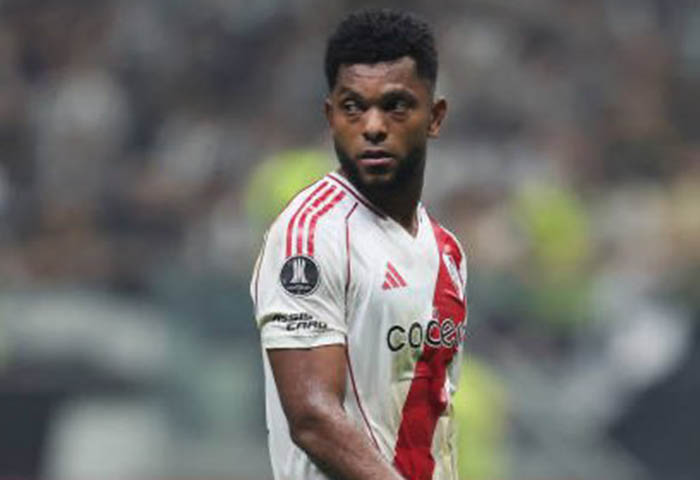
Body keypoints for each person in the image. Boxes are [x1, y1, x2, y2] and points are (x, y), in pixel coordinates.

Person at [250, 8, 468, 480]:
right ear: (331, 116)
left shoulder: (447, 252)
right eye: (353, 107)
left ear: (434, 117)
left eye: (395, 106)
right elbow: (312, 419)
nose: (372, 126)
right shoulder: (310, 237)